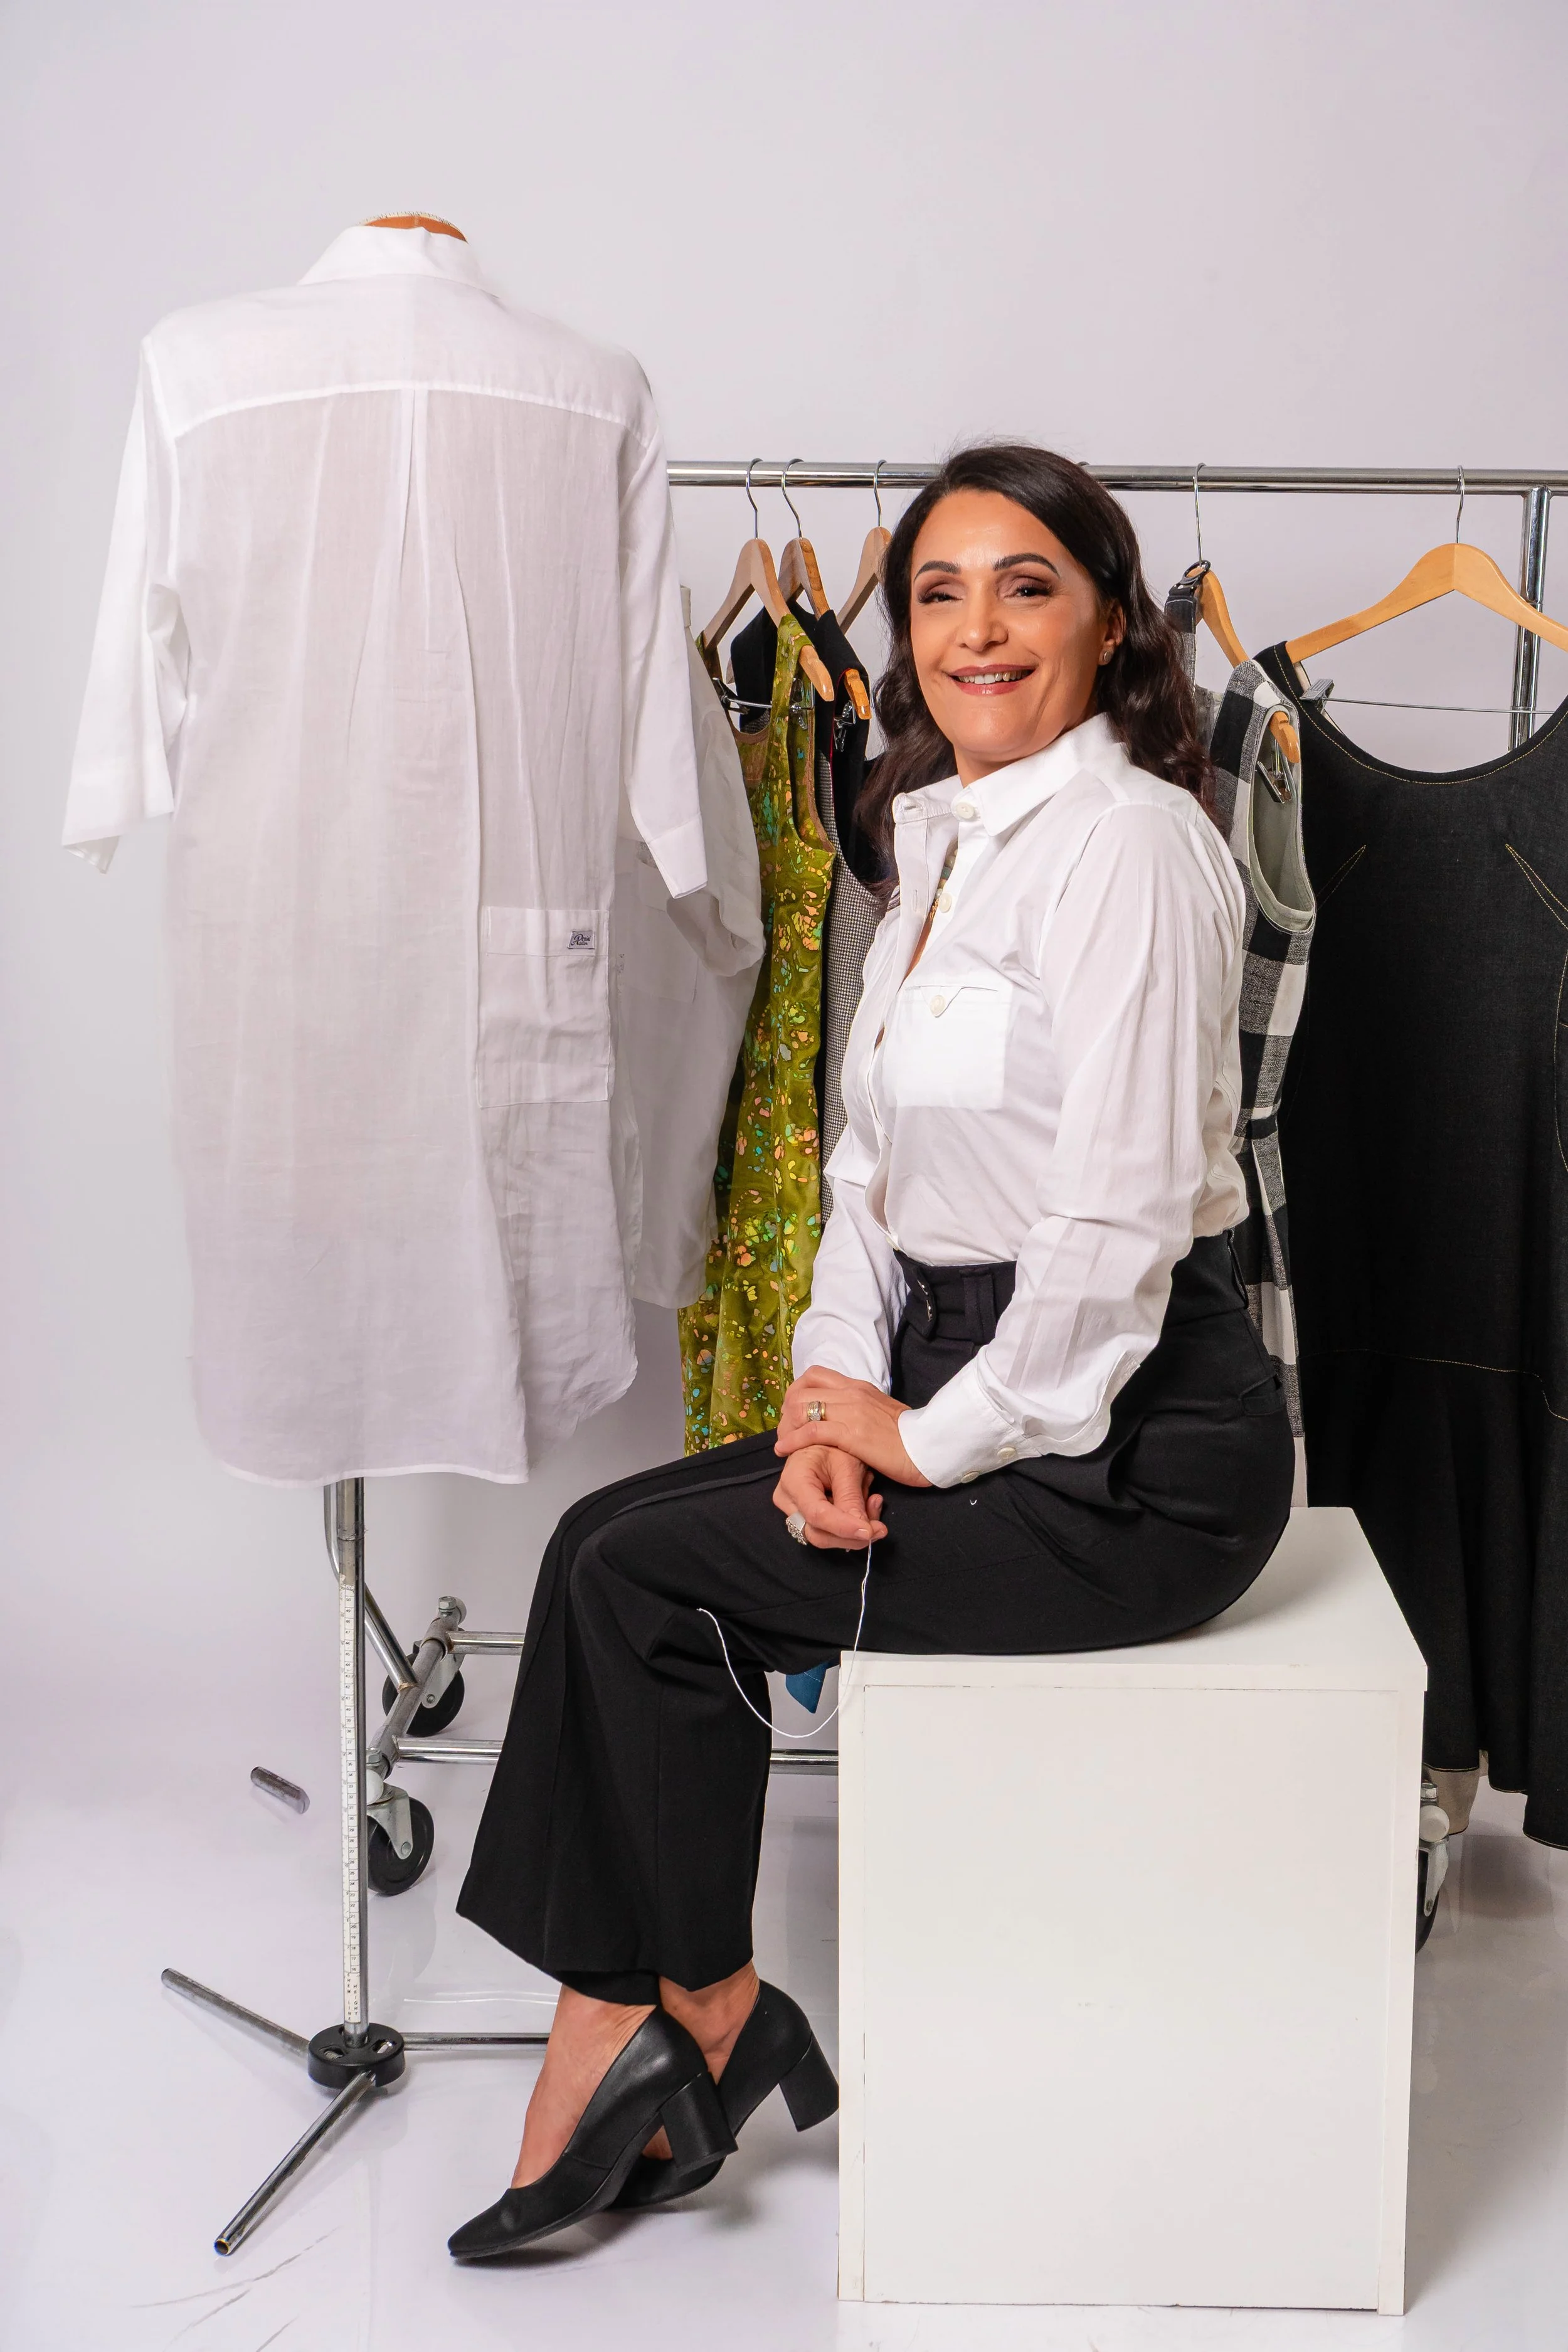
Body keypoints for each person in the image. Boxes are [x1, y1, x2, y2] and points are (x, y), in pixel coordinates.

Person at [447, 442, 1295, 2260]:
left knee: (633, 1574)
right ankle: (697, 2008)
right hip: (950, 1361)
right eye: (936, 593)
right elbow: (865, 1180)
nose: (975, 629)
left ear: (1109, 622)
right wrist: (835, 1398)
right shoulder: (931, 842)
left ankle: (656, 2030)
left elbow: (1117, 1230)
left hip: (1133, 1447)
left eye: (1025, 585)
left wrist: (926, 1439)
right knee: (602, 1548)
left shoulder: (1136, 846)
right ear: (901, 633)